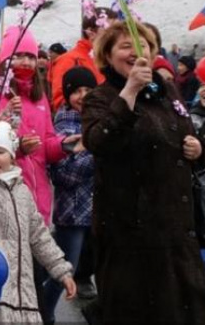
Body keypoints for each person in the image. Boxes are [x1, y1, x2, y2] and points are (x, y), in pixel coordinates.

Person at [82, 20, 205, 322]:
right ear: (107, 55)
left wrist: (197, 148)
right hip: (131, 233)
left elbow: (184, 133)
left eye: (145, 46)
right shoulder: (101, 97)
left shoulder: (168, 90)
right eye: (126, 46)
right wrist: (130, 92)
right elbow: (98, 141)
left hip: (177, 227)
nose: (138, 51)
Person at [0, 120, 75, 324]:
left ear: (12, 157)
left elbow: (39, 237)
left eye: (1, 151)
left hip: (24, 299)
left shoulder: (22, 191)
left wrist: (61, 271)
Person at [0, 27, 76, 225]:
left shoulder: (38, 98)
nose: (25, 62)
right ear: (5, 59)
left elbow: (45, 142)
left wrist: (63, 145)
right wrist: (19, 148)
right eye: (18, 55)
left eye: (30, 56)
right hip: (8, 191)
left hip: (40, 192)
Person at [41, 67, 97, 323]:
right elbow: (65, 175)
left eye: (88, 90)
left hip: (99, 209)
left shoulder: (98, 116)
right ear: (66, 94)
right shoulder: (64, 123)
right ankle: (45, 315)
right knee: (63, 270)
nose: (82, 96)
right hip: (73, 212)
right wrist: (98, 151)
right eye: (76, 91)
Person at [48, 8, 110, 111]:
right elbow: (60, 101)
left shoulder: (107, 60)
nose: (116, 35)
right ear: (91, 32)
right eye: (109, 30)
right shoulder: (69, 59)